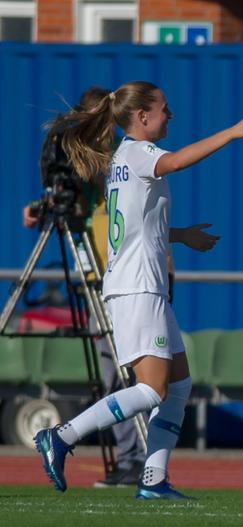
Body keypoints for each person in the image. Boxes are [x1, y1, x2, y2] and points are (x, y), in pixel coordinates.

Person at [33, 81, 243, 499]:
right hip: (137, 288)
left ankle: (154, 479)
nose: (170, 116)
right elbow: (176, 163)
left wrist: (180, 236)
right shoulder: (139, 152)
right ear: (141, 117)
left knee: (178, 387)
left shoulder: (122, 157)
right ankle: (62, 436)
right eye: (164, 109)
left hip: (141, 284)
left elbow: (139, 227)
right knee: (151, 389)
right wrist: (233, 132)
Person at [22, 87, 147, 488]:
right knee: (114, 373)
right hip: (101, 277)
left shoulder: (118, 159)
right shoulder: (89, 164)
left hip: (124, 275)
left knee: (132, 373)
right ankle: (131, 456)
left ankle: (139, 458)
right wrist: (44, 206)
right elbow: (73, 197)